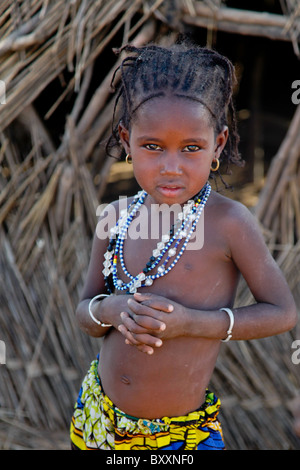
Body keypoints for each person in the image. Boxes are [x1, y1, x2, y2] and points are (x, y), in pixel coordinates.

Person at [70, 42, 297, 450]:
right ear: (126, 140)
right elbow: (85, 313)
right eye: (153, 146)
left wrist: (192, 323)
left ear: (219, 145)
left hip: (181, 438)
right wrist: (110, 310)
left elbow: (282, 313)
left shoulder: (229, 223)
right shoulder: (114, 218)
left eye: (191, 148)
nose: (171, 166)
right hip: (96, 422)